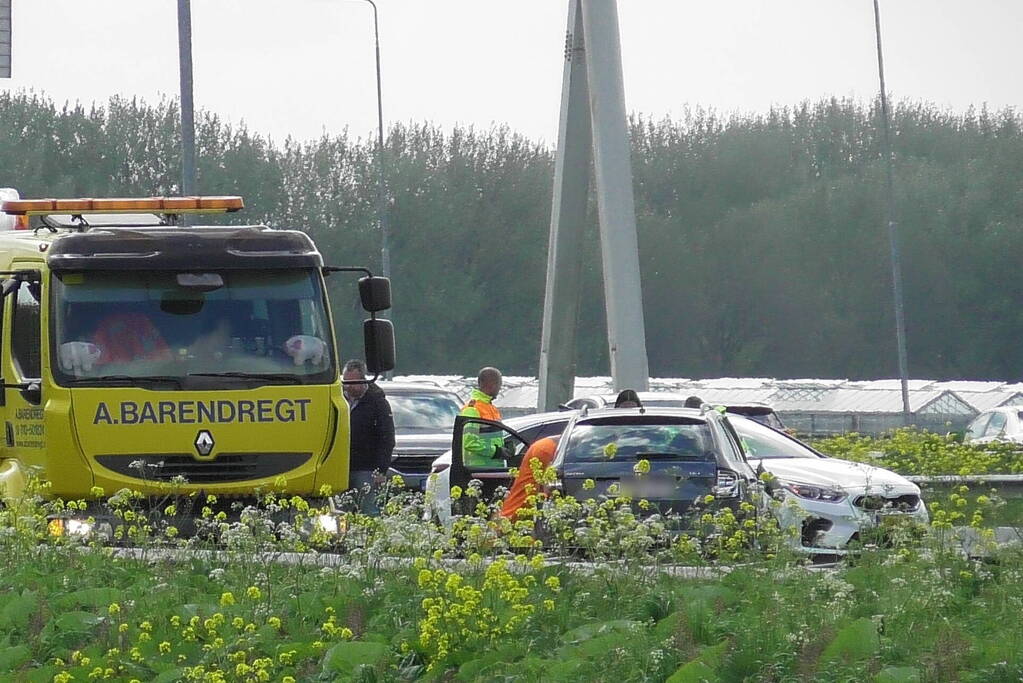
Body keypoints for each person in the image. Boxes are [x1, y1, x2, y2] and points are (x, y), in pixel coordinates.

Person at [343, 359, 395, 514]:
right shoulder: (339, 400)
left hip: (366, 468)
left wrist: (380, 470)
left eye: (353, 382)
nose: (347, 386)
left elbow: (387, 438)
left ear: (363, 380)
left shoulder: (377, 403)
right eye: (345, 381)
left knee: (369, 510)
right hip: (340, 467)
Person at [501, 436, 559, 521]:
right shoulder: (547, 449)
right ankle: (504, 524)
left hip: (544, 446)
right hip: (548, 449)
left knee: (523, 492)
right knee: (528, 493)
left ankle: (504, 521)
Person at [460, 367, 507, 467]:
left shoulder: (492, 408)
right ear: (490, 384)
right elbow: (469, 442)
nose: (499, 388)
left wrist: (505, 446)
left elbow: (492, 438)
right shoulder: (472, 409)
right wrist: (496, 451)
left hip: (493, 469)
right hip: (478, 471)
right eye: (499, 384)